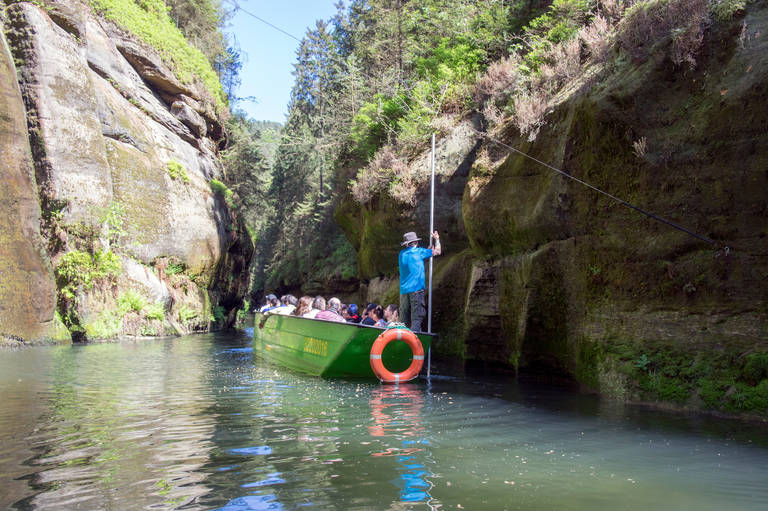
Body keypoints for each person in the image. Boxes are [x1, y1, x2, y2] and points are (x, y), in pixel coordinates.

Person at [398, 230, 441, 331]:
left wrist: (426, 251)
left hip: (404, 291)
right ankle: (414, 342)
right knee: (416, 317)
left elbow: (414, 260)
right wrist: (437, 239)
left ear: (406, 244)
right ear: (415, 243)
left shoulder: (401, 254)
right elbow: (438, 251)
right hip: (416, 290)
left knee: (404, 319)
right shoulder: (419, 252)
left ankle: (403, 341)